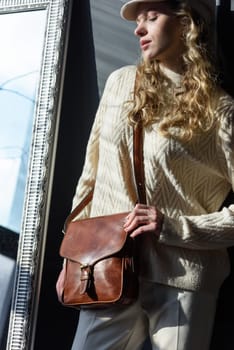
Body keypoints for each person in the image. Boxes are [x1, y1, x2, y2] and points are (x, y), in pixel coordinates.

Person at [56, 1, 234, 349]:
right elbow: (91, 176)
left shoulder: (221, 112)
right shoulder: (120, 84)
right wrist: (74, 255)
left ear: (187, 23)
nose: (139, 29)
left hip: (183, 276)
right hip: (107, 266)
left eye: (152, 17)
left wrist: (175, 226)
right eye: (138, 20)